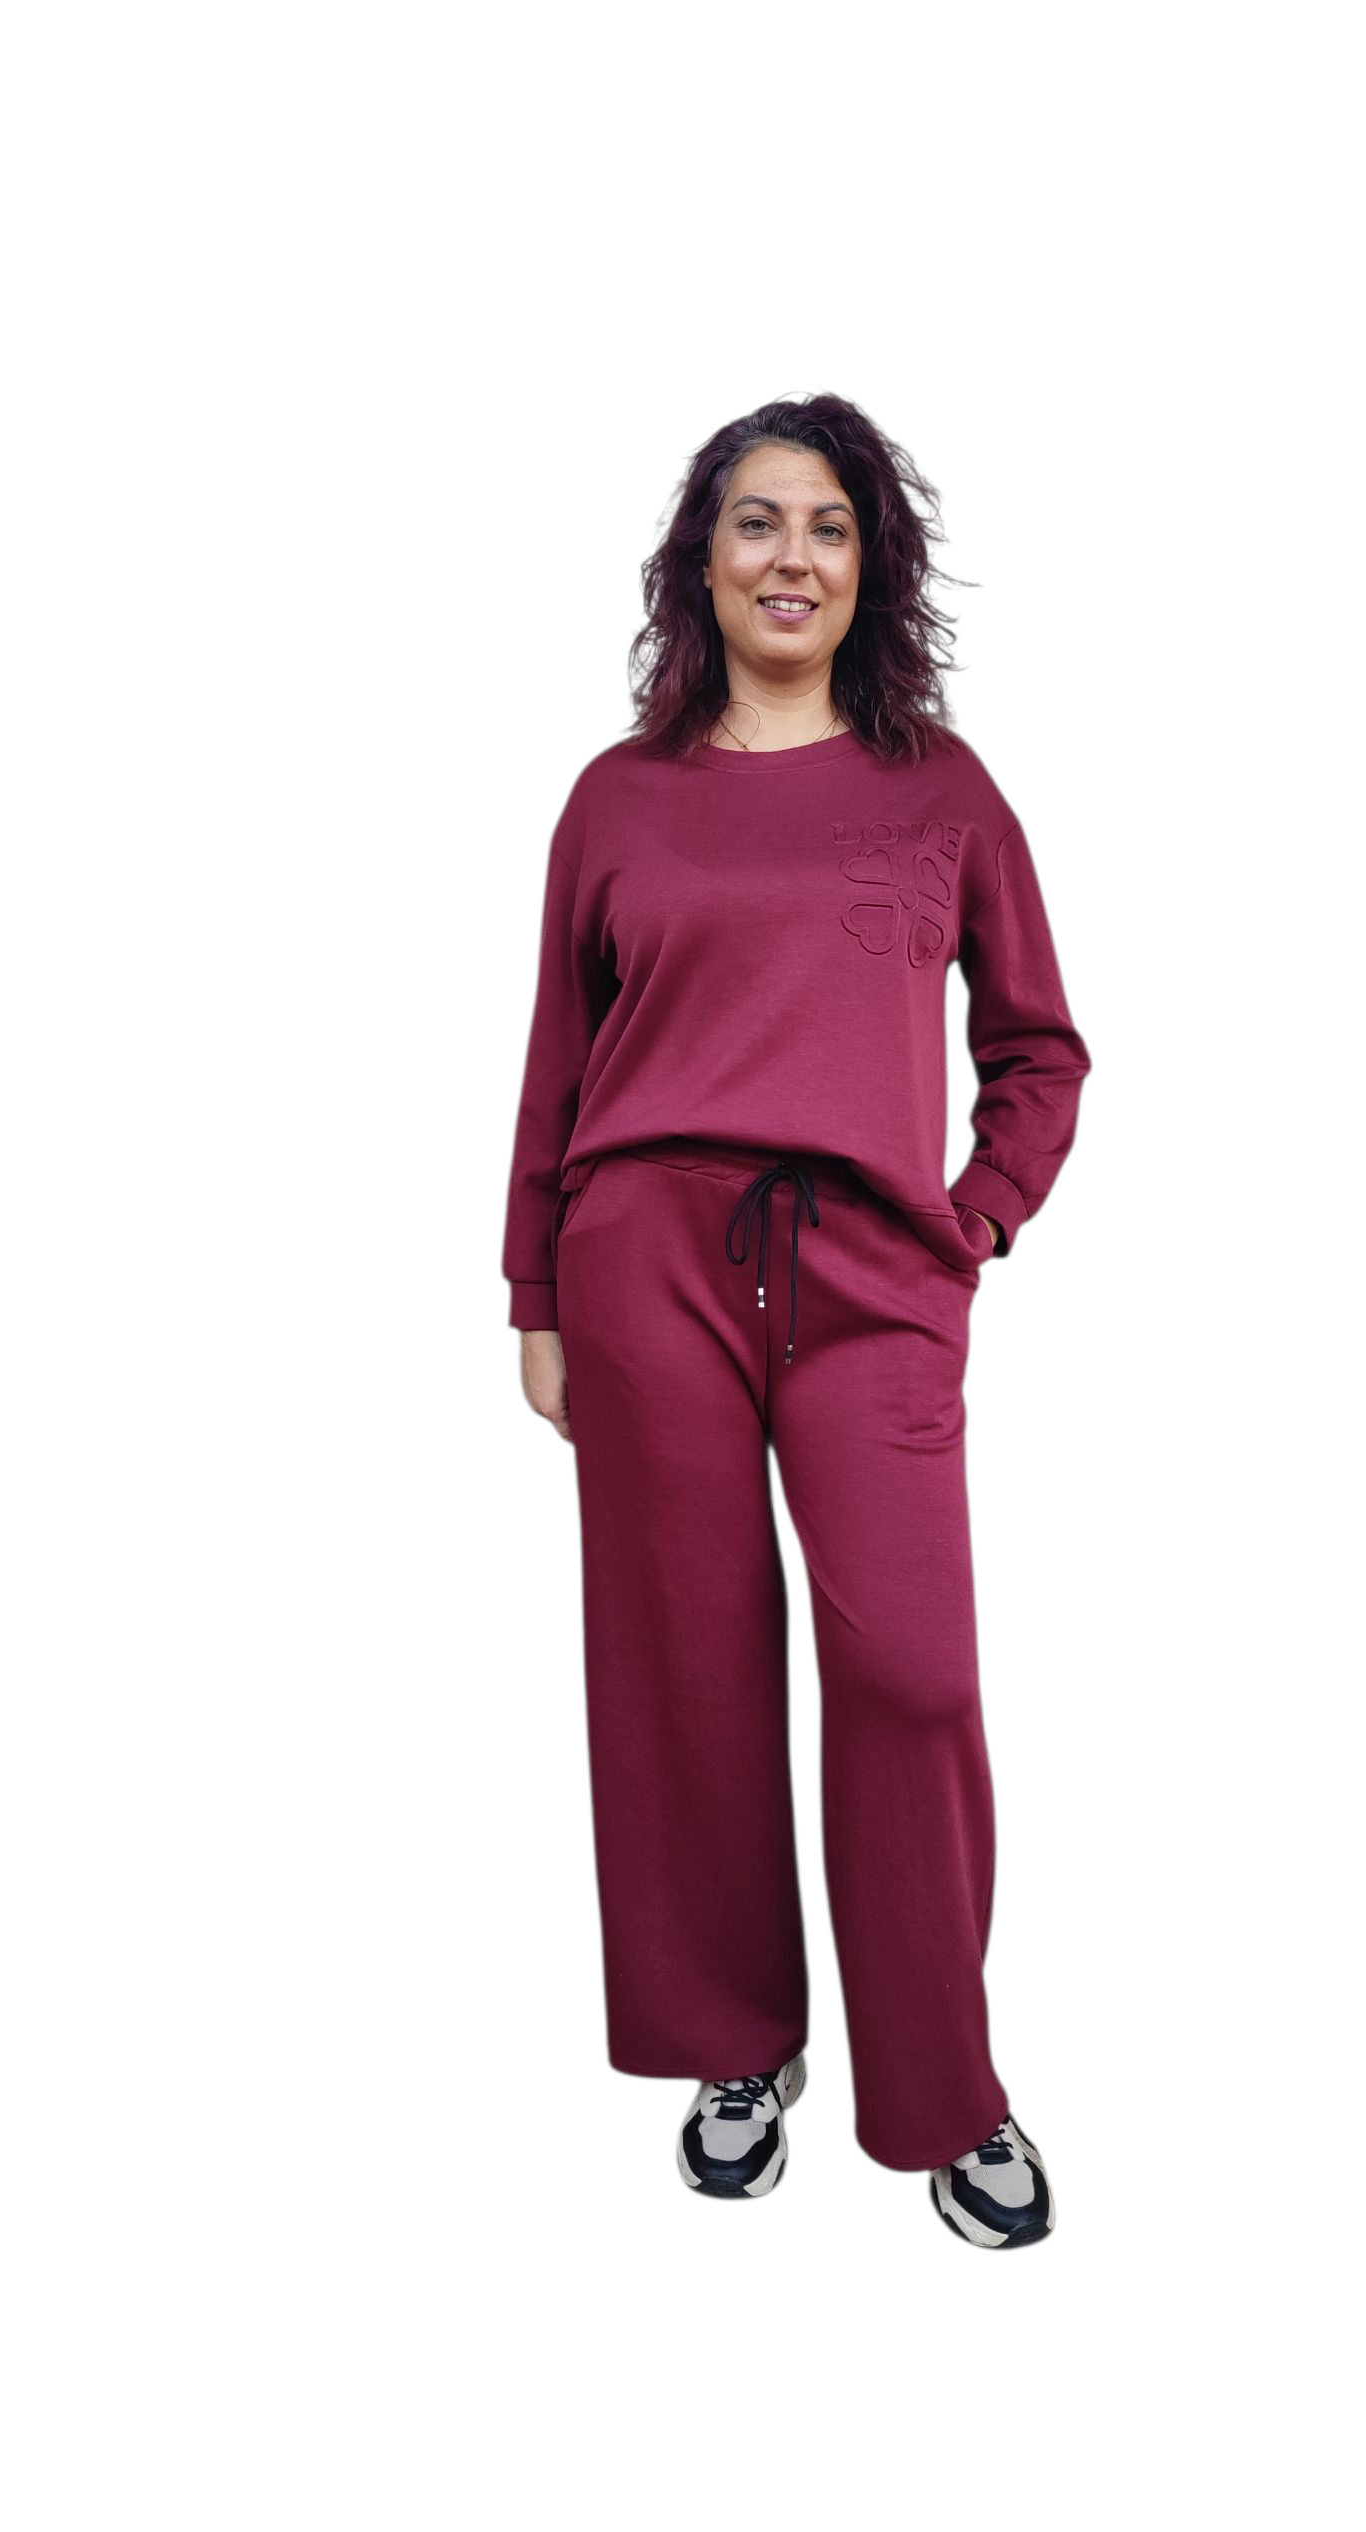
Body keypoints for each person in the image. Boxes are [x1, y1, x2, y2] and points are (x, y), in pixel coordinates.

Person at [501, 393, 1092, 2248]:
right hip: (644, 1256)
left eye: (828, 527)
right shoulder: (617, 798)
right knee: (683, 1668)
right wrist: (535, 1289)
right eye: (757, 523)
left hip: (871, 1272)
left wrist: (975, 1221)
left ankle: (945, 2088)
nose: (791, 558)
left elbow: (1040, 1049)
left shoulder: (943, 789)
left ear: (869, 565)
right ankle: (739, 2045)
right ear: (703, 560)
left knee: (910, 1669)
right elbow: (556, 1065)